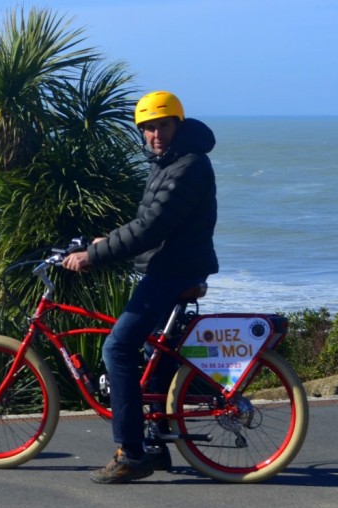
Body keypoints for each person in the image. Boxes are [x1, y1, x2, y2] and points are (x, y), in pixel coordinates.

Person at [62, 91, 219, 484]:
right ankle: (155, 442)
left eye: (162, 125)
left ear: (178, 125)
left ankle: (131, 454)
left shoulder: (188, 166)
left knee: (117, 347)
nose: (154, 134)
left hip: (173, 274)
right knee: (152, 357)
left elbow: (151, 228)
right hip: (171, 269)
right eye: (147, 128)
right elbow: (149, 222)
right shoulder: (168, 163)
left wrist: (94, 256)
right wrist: (104, 242)